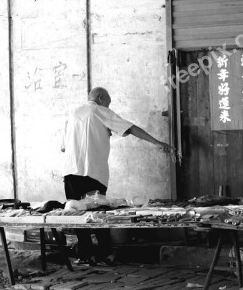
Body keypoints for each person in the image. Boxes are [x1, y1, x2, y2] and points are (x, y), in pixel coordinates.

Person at [61, 87, 171, 265]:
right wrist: (157, 143)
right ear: (101, 97)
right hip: (92, 172)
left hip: (70, 172)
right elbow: (131, 128)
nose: (108, 106)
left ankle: (85, 255)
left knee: (77, 214)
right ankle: (103, 255)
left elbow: (64, 147)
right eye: (108, 102)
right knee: (98, 214)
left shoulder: (72, 114)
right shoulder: (99, 110)